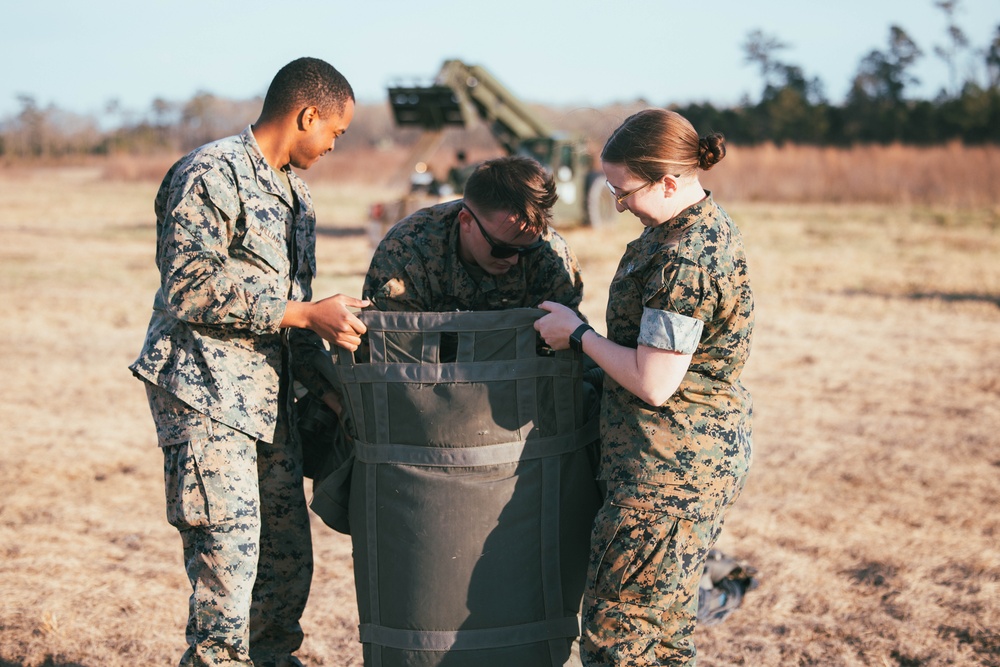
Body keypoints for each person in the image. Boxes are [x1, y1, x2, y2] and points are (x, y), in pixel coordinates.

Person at [129, 57, 369, 667]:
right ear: (307, 115)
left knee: (283, 576)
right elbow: (189, 286)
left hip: (271, 409)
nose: (335, 145)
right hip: (208, 400)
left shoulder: (297, 194)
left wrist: (330, 385)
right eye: (334, 132)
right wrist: (305, 314)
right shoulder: (209, 173)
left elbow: (298, 313)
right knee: (226, 592)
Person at [533, 108, 754, 666]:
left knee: (622, 636)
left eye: (623, 190)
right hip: (679, 464)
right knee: (662, 635)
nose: (620, 202)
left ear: (669, 182)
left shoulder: (685, 257)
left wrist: (577, 335)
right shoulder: (682, 229)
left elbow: (655, 381)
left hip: (664, 474)